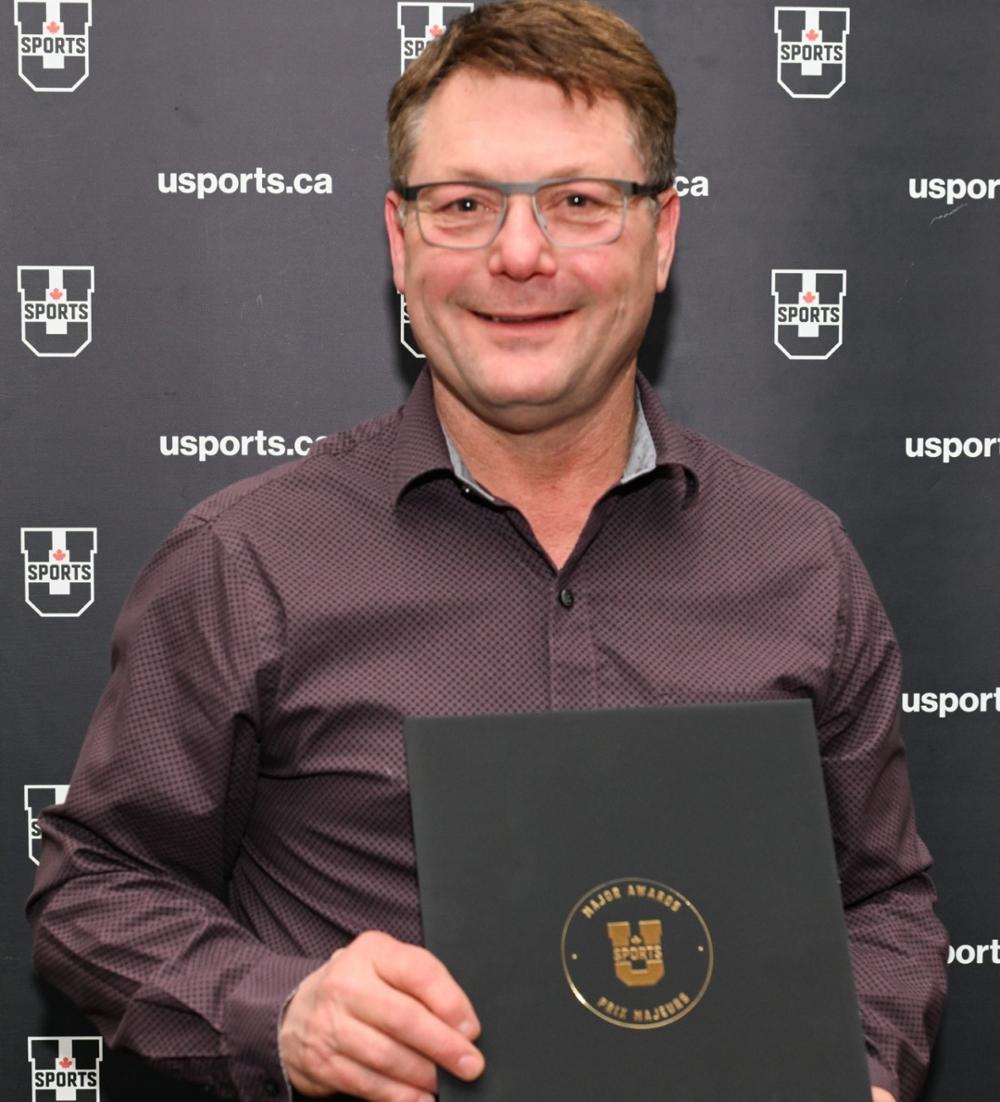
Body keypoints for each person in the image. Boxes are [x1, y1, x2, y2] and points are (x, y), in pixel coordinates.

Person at [28, 3, 946, 1102]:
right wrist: (282, 1011)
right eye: (463, 204)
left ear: (661, 239)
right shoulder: (247, 559)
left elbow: (882, 904)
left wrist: (863, 1070)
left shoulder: (799, 561)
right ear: (400, 239)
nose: (520, 254)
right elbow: (97, 886)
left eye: (578, 202)